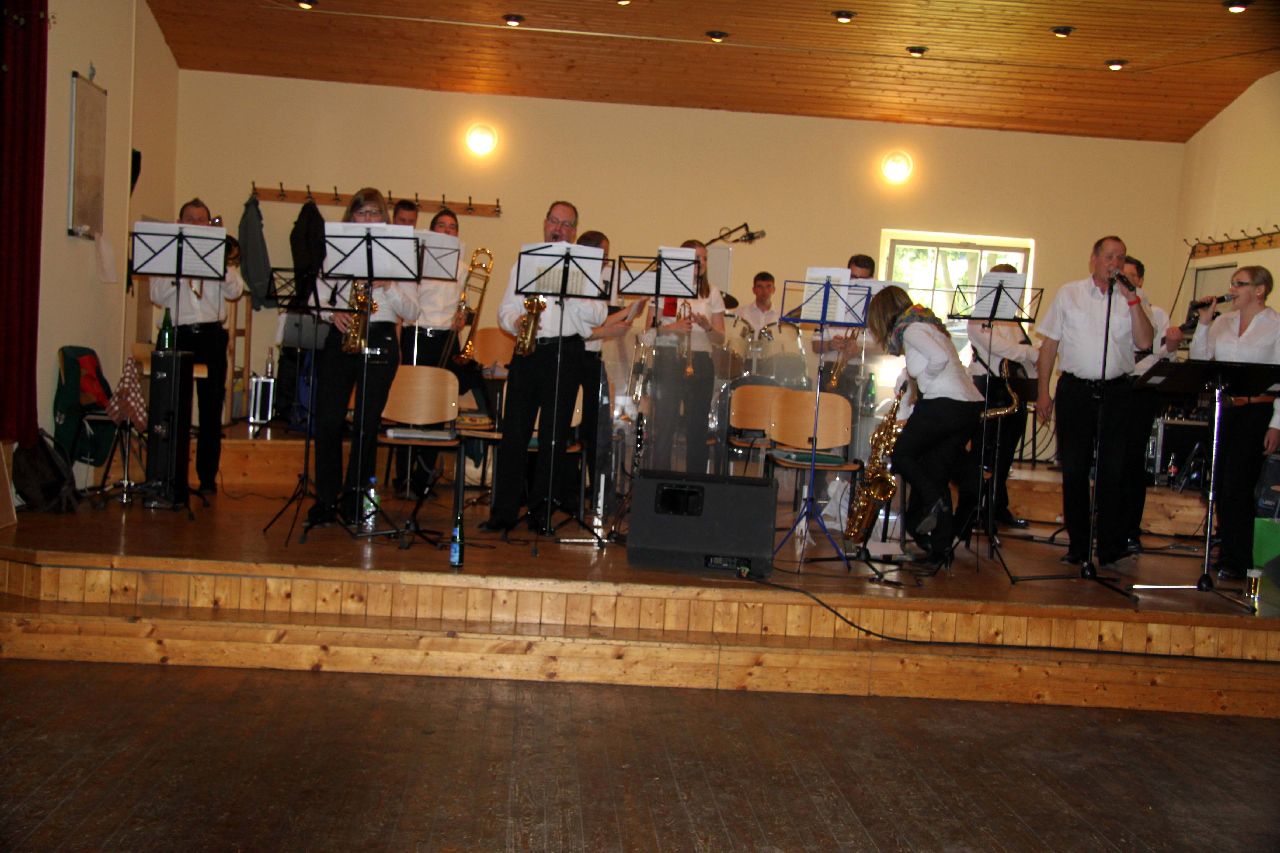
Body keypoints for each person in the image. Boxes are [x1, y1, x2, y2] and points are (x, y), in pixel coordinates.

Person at [481, 201, 606, 533]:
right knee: (514, 434)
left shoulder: (586, 267)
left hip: (566, 352)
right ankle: (503, 513)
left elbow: (598, 314)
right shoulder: (525, 262)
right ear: (545, 223)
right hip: (529, 351)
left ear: (574, 232)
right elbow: (504, 310)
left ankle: (541, 513)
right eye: (554, 221)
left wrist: (574, 296)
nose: (558, 229)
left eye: (566, 224)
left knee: (554, 437)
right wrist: (517, 321)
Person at [1036, 235, 1154, 568]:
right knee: (1074, 468)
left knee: (1112, 470)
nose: (1115, 263)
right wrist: (1043, 391)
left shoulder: (1134, 297)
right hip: (1075, 390)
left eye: (1121, 257)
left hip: (1117, 392)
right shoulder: (1069, 293)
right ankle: (1079, 544)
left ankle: (1110, 545)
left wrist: (1133, 300)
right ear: (1094, 259)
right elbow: (1049, 345)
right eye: (1109, 256)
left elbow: (1145, 341)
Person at [306, 188, 420, 527]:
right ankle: (326, 499)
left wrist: (388, 286)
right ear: (351, 216)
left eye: (374, 213)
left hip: (381, 336)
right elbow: (315, 298)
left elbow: (412, 311)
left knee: (367, 425)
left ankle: (355, 500)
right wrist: (332, 314)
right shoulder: (337, 251)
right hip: (342, 334)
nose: (368, 218)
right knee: (328, 420)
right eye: (361, 212)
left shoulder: (398, 254)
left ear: (383, 218)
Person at [866, 286, 983, 571]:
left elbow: (938, 360)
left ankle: (933, 502)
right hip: (967, 407)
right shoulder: (926, 324)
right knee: (936, 472)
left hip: (945, 402)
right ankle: (940, 550)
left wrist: (927, 380)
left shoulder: (911, 330)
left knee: (902, 454)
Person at [1179, 266, 1280, 580]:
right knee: (1220, 484)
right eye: (1232, 283)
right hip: (1225, 410)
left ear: (1259, 290)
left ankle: (1239, 560)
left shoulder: (1275, 325)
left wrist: (1277, 424)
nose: (1232, 289)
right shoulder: (1222, 322)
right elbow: (1200, 359)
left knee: (1239, 485)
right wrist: (1204, 323)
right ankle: (1226, 553)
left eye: (1240, 284)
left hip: (1256, 411)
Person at [150, 198, 245, 495]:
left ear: (209, 224)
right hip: (177, 334)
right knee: (172, 408)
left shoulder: (218, 255)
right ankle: (170, 476)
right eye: (190, 219)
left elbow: (236, 291)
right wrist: (180, 269)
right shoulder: (166, 255)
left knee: (211, 409)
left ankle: (207, 479)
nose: (196, 224)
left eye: (201, 219)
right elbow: (156, 295)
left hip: (211, 335)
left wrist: (217, 264)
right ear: (179, 223)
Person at [394, 205, 490, 497]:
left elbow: (465, 306)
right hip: (416, 335)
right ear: (431, 230)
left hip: (446, 340)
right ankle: (403, 478)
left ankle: (423, 479)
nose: (447, 231)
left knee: (437, 409)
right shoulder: (415, 262)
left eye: (453, 227)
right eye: (442, 226)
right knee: (409, 407)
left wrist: (464, 317)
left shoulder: (462, 268)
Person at [645, 239, 726, 476]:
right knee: (665, 424)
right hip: (669, 360)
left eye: (705, 258)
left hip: (700, 361)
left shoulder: (712, 292)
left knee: (697, 426)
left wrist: (707, 326)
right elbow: (648, 333)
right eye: (696, 257)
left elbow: (721, 339)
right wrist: (674, 327)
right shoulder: (665, 289)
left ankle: (695, 483)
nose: (702, 262)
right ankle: (661, 480)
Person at [966, 263, 1038, 530]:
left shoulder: (1014, 321)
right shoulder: (978, 318)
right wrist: (1031, 352)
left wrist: (1029, 355)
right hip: (987, 387)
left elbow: (1021, 352)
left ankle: (997, 506)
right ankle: (976, 508)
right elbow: (1003, 349)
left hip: (1012, 389)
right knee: (984, 451)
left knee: (1006, 453)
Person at [1120, 255, 1179, 551]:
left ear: (1140, 280)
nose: (1124, 281)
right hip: (1115, 385)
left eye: (1130, 276)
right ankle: (1105, 522)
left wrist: (1172, 345)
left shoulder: (1157, 313)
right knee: (1109, 457)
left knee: (1133, 460)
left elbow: (1164, 355)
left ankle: (1131, 527)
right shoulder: (1111, 310)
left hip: (1141, 389)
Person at [578, 231, 635, 509]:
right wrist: (608, 330)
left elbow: (599, 324)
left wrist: (628, 312)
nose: (606, 261)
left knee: (598, 431)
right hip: (578, 358)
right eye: (604, 254)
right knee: (587, 431)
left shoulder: (598, 281)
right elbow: (580, 331)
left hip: (593, 358)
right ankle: (584, 492)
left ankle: (601, 496)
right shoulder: (580, 280)